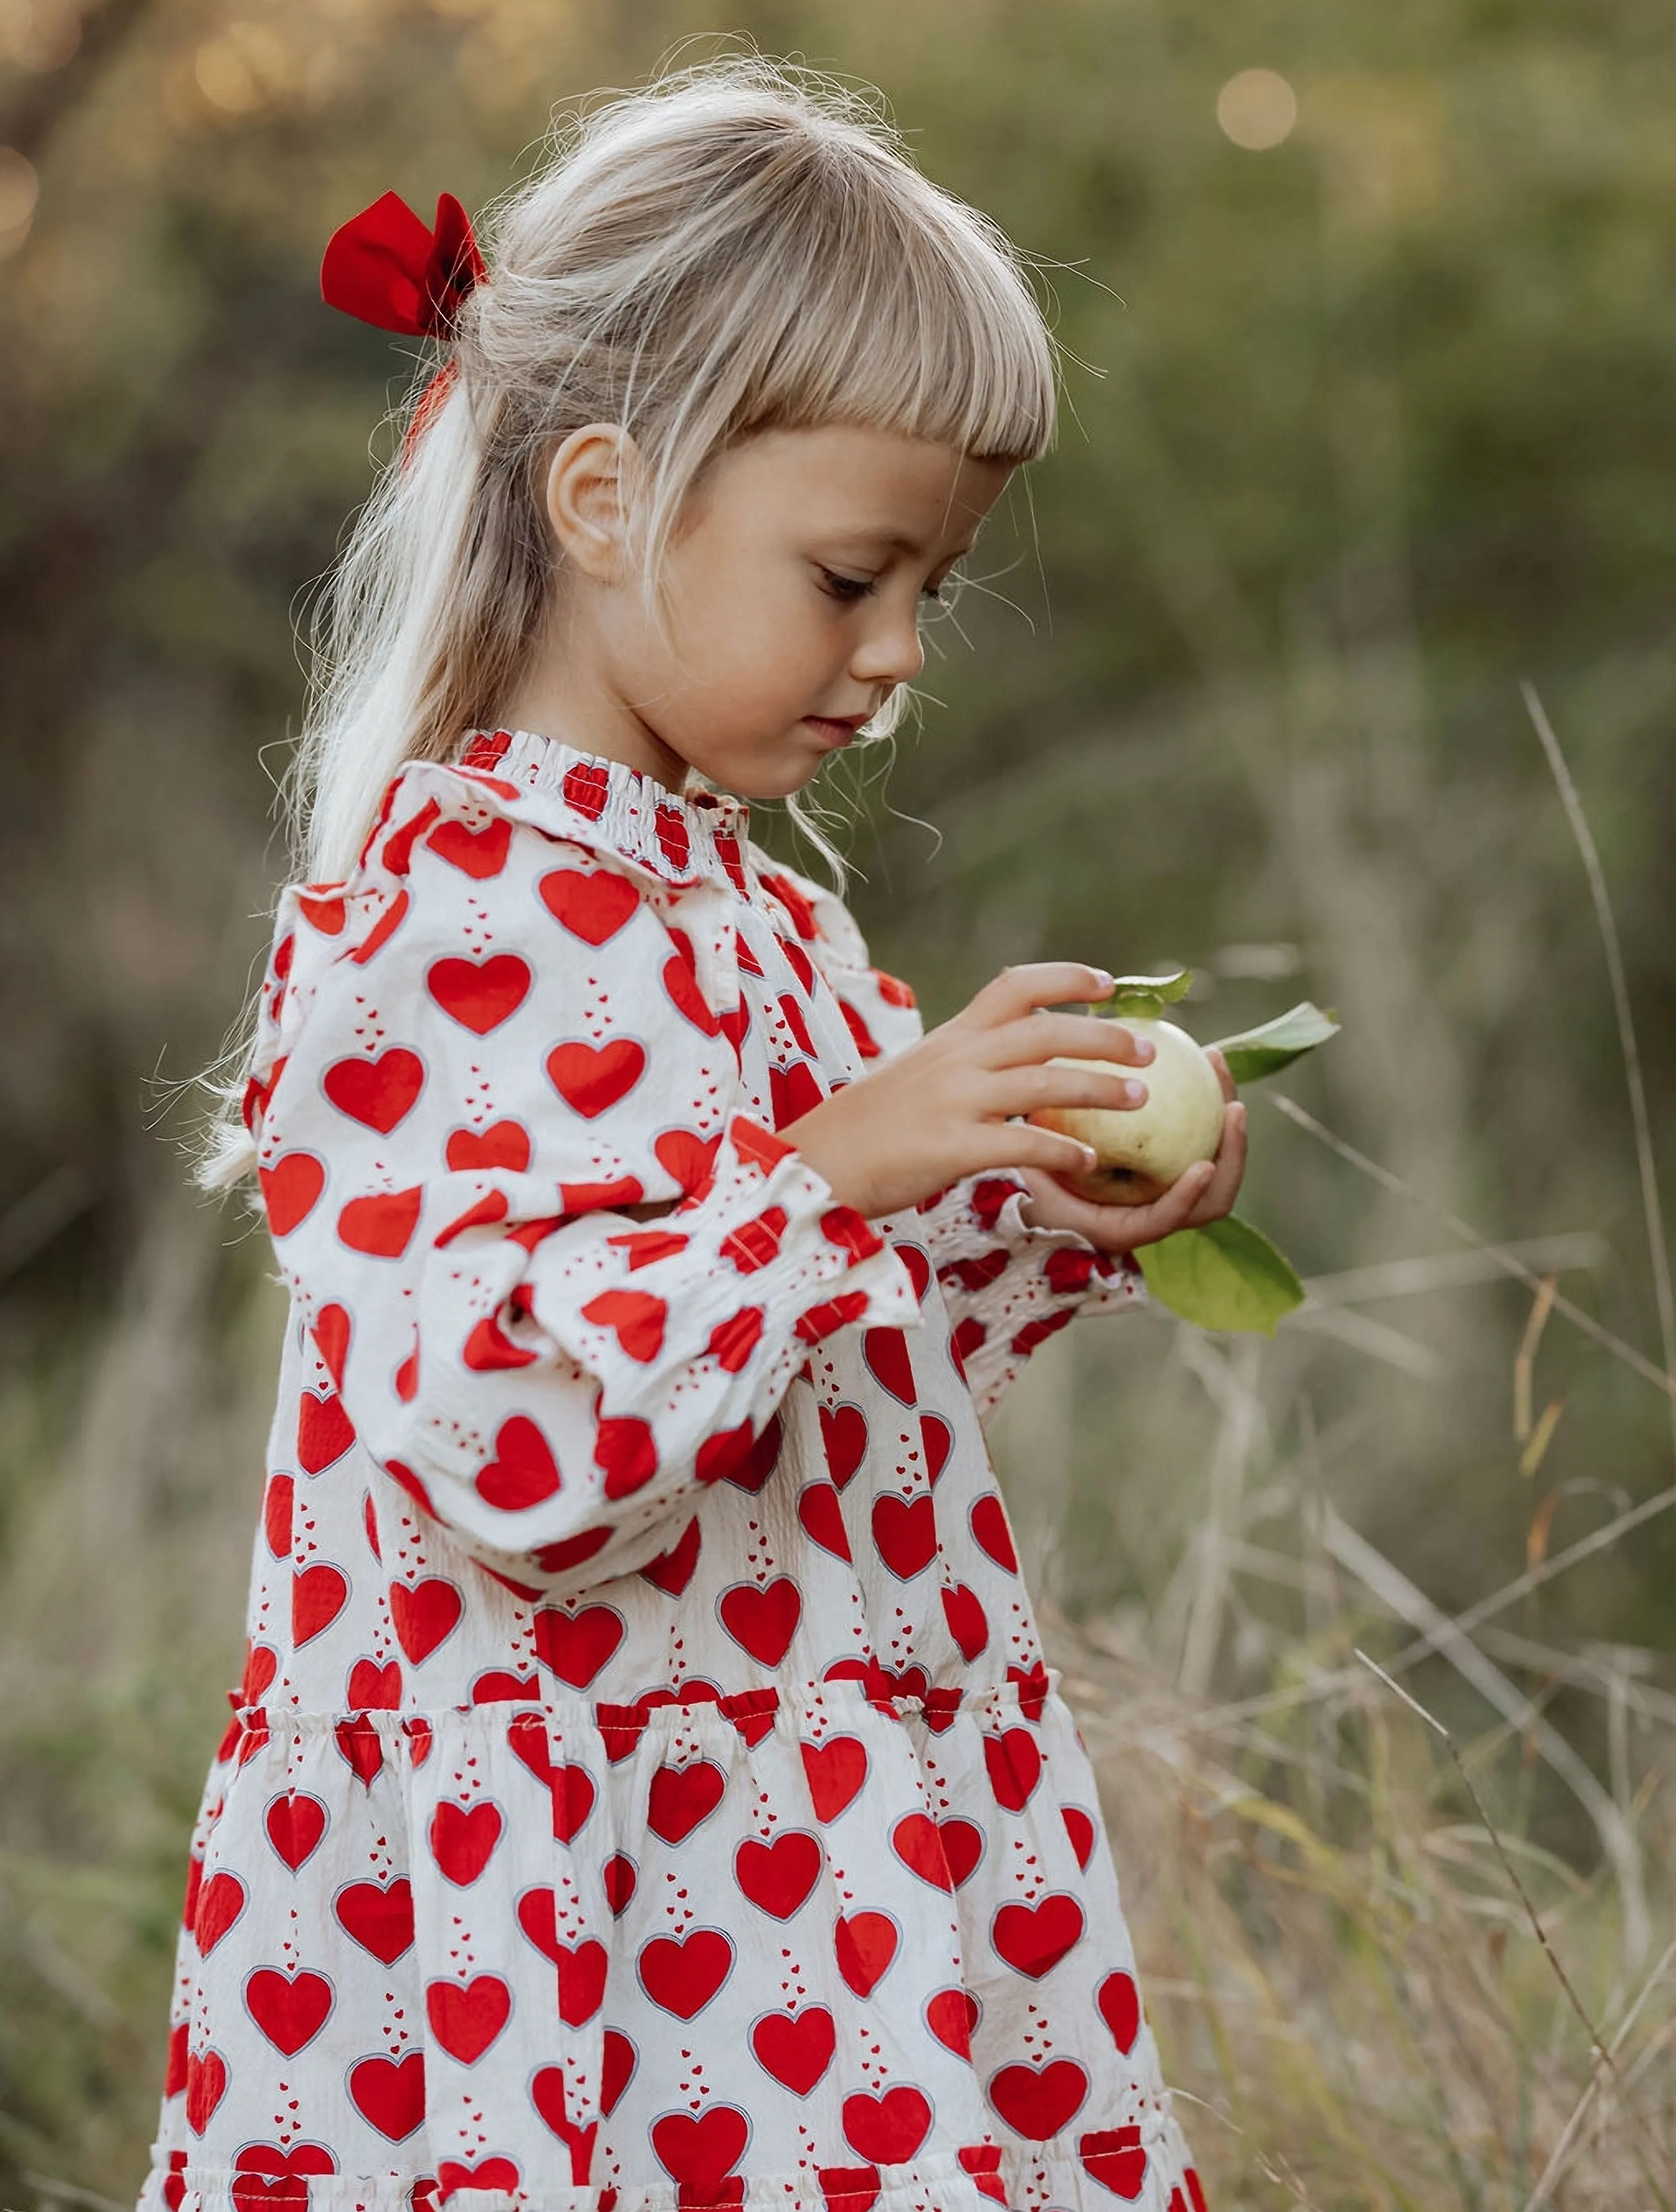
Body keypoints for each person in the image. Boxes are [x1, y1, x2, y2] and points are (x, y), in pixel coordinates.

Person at [141, 55, 1246, 2212]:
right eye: (852, 575)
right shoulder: (450, 930)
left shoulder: (740, 904)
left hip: (803, 1846)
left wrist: (1044, 1190)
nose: (900, 649)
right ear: (604, 499)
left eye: (929, 581)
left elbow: (809, 1352)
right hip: (584, 1896)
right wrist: (839, 1161)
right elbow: (517, 1446)